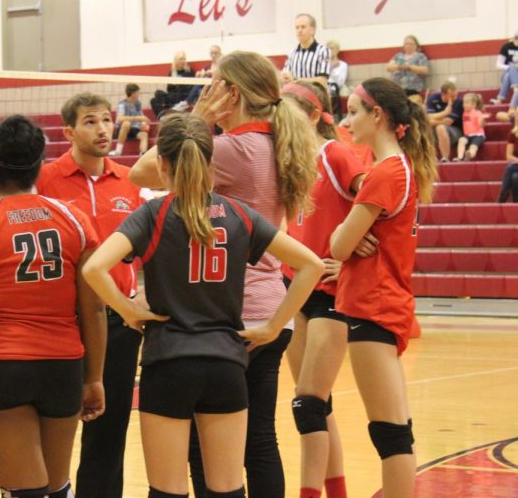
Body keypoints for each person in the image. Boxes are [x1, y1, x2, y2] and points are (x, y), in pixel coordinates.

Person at [83, 113, 324, 498]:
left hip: (168, 364)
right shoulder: (238, 213)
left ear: (162, 164)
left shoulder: (152, 214)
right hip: (226, 365)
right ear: (210, 161)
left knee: (167, 491)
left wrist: (129, 311)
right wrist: (273, 327)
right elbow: (311, 264)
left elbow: (94, 267)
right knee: (227, 491)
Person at [131, 51, 319, 498]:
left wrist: (197, 118)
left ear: (230, 93)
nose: (206, 89)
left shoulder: (233, 149)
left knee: (208, 445)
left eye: (213, 83)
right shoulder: (279, 141)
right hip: (272, 306)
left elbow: (144, 170)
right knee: (259, 441)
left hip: (229, 315)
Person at [0, 115, 107, 498]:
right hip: (62, 366)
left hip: (0, 369)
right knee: (56, 487)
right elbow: (93, 310)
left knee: (25, 491)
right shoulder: (74, 220)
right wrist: (94, 376)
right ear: (40, 163)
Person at [330, 78, 438, 498]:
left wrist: (347, 235)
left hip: (372, 306)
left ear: (378, 115)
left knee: (390, 433)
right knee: (396, 429)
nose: (348, 120)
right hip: (386, 303)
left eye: (355, 111)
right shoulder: (401, 168)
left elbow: (339, 245)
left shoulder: (385, 172)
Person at [37, 92, 144, 497]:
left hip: (117, 324)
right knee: (54, 430)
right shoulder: (46, 180)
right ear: (68, 131)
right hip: (64, 324)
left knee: (108, 434)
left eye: (106, 120)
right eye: (90, 122)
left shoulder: (129, 180)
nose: (102, 129)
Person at [280, 82, 369, 498]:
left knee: (307, 403)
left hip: (332, 290)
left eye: (289, 111)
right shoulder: (291, 161)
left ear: (314, 116)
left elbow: (383, 201)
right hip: (294, 283)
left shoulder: (333, 154)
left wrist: (356, 251)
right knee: (317, 402)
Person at [280, 13, 330, 89]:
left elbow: (322, 81)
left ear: (312, 30)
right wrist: (284, 78)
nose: (299, 30)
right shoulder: (292, 53)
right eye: (297, 28)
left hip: (315, 96)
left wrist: (295, 79)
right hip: (295, 96)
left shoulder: (323, 51)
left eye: (303, 27)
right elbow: (285, 77)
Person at [425, 82, 464, 162]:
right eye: (452, 96)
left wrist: (433, 120)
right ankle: (432, 157)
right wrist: (445, 113)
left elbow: (448, 122)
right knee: (424, 127)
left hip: (455, 131)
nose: (454, 98)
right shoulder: (433, 99)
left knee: (440, 127)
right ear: (443, 94)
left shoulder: (458, 102)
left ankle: (445, 158)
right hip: (435, 131)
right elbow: (427, 118)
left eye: (455, 95)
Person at [151, 51, 195, 118]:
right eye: (181, 59)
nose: (182, 61)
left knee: (179, 88)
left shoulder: (189, 71)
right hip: (172, 96)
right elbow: (168, 88)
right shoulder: (172, 72)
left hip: (183, 97)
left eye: (184, 59)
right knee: (156, 96)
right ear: (176, 61)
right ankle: (162, 116)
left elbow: (192, 87)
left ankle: (170, 111)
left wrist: (179, 84)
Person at [112, 84, 152, 157]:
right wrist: (138, 118)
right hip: (122, 130)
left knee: (144, 135)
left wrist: (143, 123)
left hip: (134, 129)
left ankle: (143, 154)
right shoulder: (122, 104)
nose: (139, 94)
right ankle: (118, 151)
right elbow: (120, 118)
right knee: (126, 123)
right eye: (138, 92)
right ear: (133, 93)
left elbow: (142, 116)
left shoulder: (137, 103)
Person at [455, 93, 487, 162]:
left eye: (467, 103)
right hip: (467, 135)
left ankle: (470, 154)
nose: (464, 104)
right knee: (461, 140)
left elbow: (481, 125)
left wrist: (482, 119)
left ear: (473, 104)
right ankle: (460, 157)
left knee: (473, 147)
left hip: (478, 135)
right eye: (464, 102)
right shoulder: (465, 112)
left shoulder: (477, 112)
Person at [494, 30, 518, 105]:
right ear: (515, 38)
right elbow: (498, 64)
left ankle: (500, 99)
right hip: (508, 72)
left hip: (510, 76)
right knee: (511, 65)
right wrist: (512, 67)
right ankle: (516, 88)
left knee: (508, 75)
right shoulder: (506, 47)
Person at [326, 40, 349, 117]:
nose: (330, 51)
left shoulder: (343, 65)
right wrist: (331, 67)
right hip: (325, 86)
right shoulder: (324, 64)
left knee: (329, 92)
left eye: (332, 48)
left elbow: (341, 82)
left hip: (335, 88)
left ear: (337, 50)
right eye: (328, 48)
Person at [497, 118, 518, 202]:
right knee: (515, 177)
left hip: (514, 166)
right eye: (516, 120)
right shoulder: (513, 133)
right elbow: (508, 156)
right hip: (516, 164)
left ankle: (502, 196)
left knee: (510, 168)